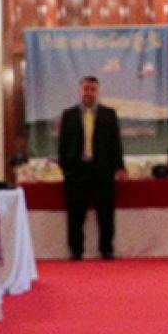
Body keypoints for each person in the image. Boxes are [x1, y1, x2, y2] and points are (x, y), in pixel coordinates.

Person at [54, 75, 123, 260]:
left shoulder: (109, 114)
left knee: (106, 213)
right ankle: (76, 250)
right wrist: (65, 167)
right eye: (86, 89)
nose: (89, 93)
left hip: (103, 172)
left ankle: (106, 249)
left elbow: (116, 143)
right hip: (76, 172)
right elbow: (62, 145)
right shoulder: (68, 115)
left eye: (93, 89)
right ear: (80, 91)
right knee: (75, 215)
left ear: (98, 92)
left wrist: (119, 167)